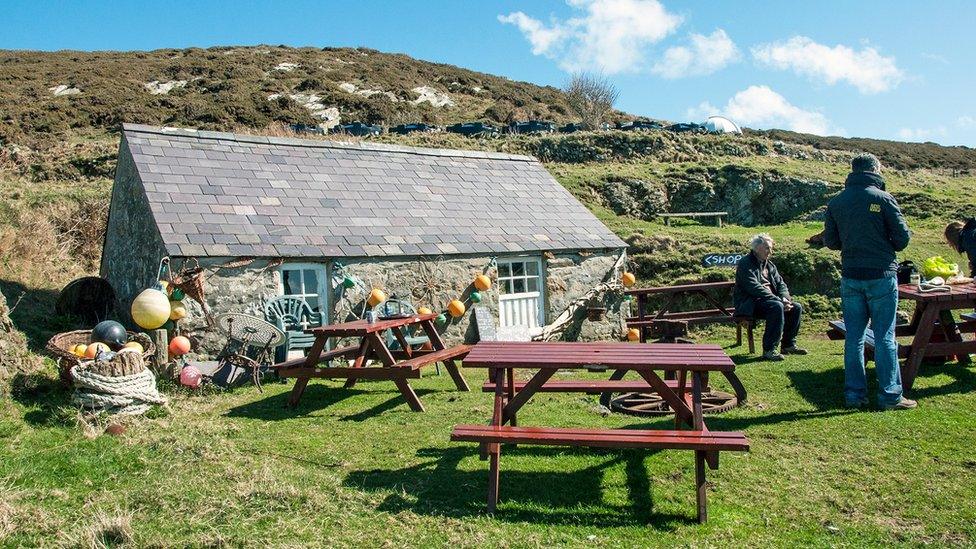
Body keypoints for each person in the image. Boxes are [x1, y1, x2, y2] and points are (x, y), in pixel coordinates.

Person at [823, 153, 915, 410]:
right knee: (885, 335)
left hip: (851, 275)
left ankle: (854, 395)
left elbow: (831, 241)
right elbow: (902, 239)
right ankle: (890, 395)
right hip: (881, 275)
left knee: (855, 336)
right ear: (875, 169)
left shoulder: (837, 202)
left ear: (852, 171)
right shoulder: (884, 199)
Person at [733, 233, 806, 361]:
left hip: (770, 301)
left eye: (771, 248)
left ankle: (788, 345)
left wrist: (784, 298)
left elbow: (781, 284)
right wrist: (778, 300)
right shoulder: (746, 263)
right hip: (750, 304)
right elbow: (753, 287)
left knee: (796, 307)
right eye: (767, 248)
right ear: (757, 248)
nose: (770, 251)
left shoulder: (770, 265)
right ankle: (769, 349)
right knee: (776, 307)